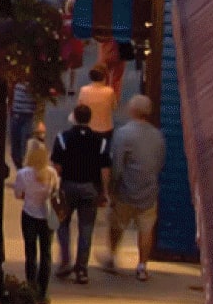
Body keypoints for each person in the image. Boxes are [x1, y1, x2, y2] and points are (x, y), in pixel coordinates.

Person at [107, 95, 167, 280]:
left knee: (117, 224)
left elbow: (117, 163)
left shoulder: (123, 133)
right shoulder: (157, 135)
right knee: (146, 229)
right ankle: (142, 265)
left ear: (132, 110)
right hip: (148, 191)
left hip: (126, 190)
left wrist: (111, 188)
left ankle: (112, 256)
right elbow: (160, 162)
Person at [51, 103, 111, 284]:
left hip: (68, 186)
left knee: (63, 224)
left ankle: (65, 261)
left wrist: (54, 188)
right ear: (89, 119)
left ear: (75, 117)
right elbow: (105, 169)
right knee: (86, 228)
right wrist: (105, 192)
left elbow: (57, 166)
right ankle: (82, 268)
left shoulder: (63, 138)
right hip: (90, 188)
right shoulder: (100, 141)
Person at [11, 140, 59, 304]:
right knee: (46, 254)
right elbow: (55, 191)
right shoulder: (51, 173)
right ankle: (42, 292)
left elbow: (18, 194)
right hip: (46, 216)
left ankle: (31, 288)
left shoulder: (23, 174)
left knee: (30, 254)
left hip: (29, 215)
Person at [77, 65, 119, 135]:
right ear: (105, 77)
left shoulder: (83, 90)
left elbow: (79, 107)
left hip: (88, 128)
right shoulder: (109, 91)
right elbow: (114, 107)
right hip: (105, 129)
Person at [8, 80, 38, 168]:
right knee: (15, 148)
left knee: (25, 145)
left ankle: (24, 170)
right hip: (16, 115)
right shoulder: (16, 79)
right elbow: (10, 92)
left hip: (28, 116)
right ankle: (20, 168)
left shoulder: (35, 82)